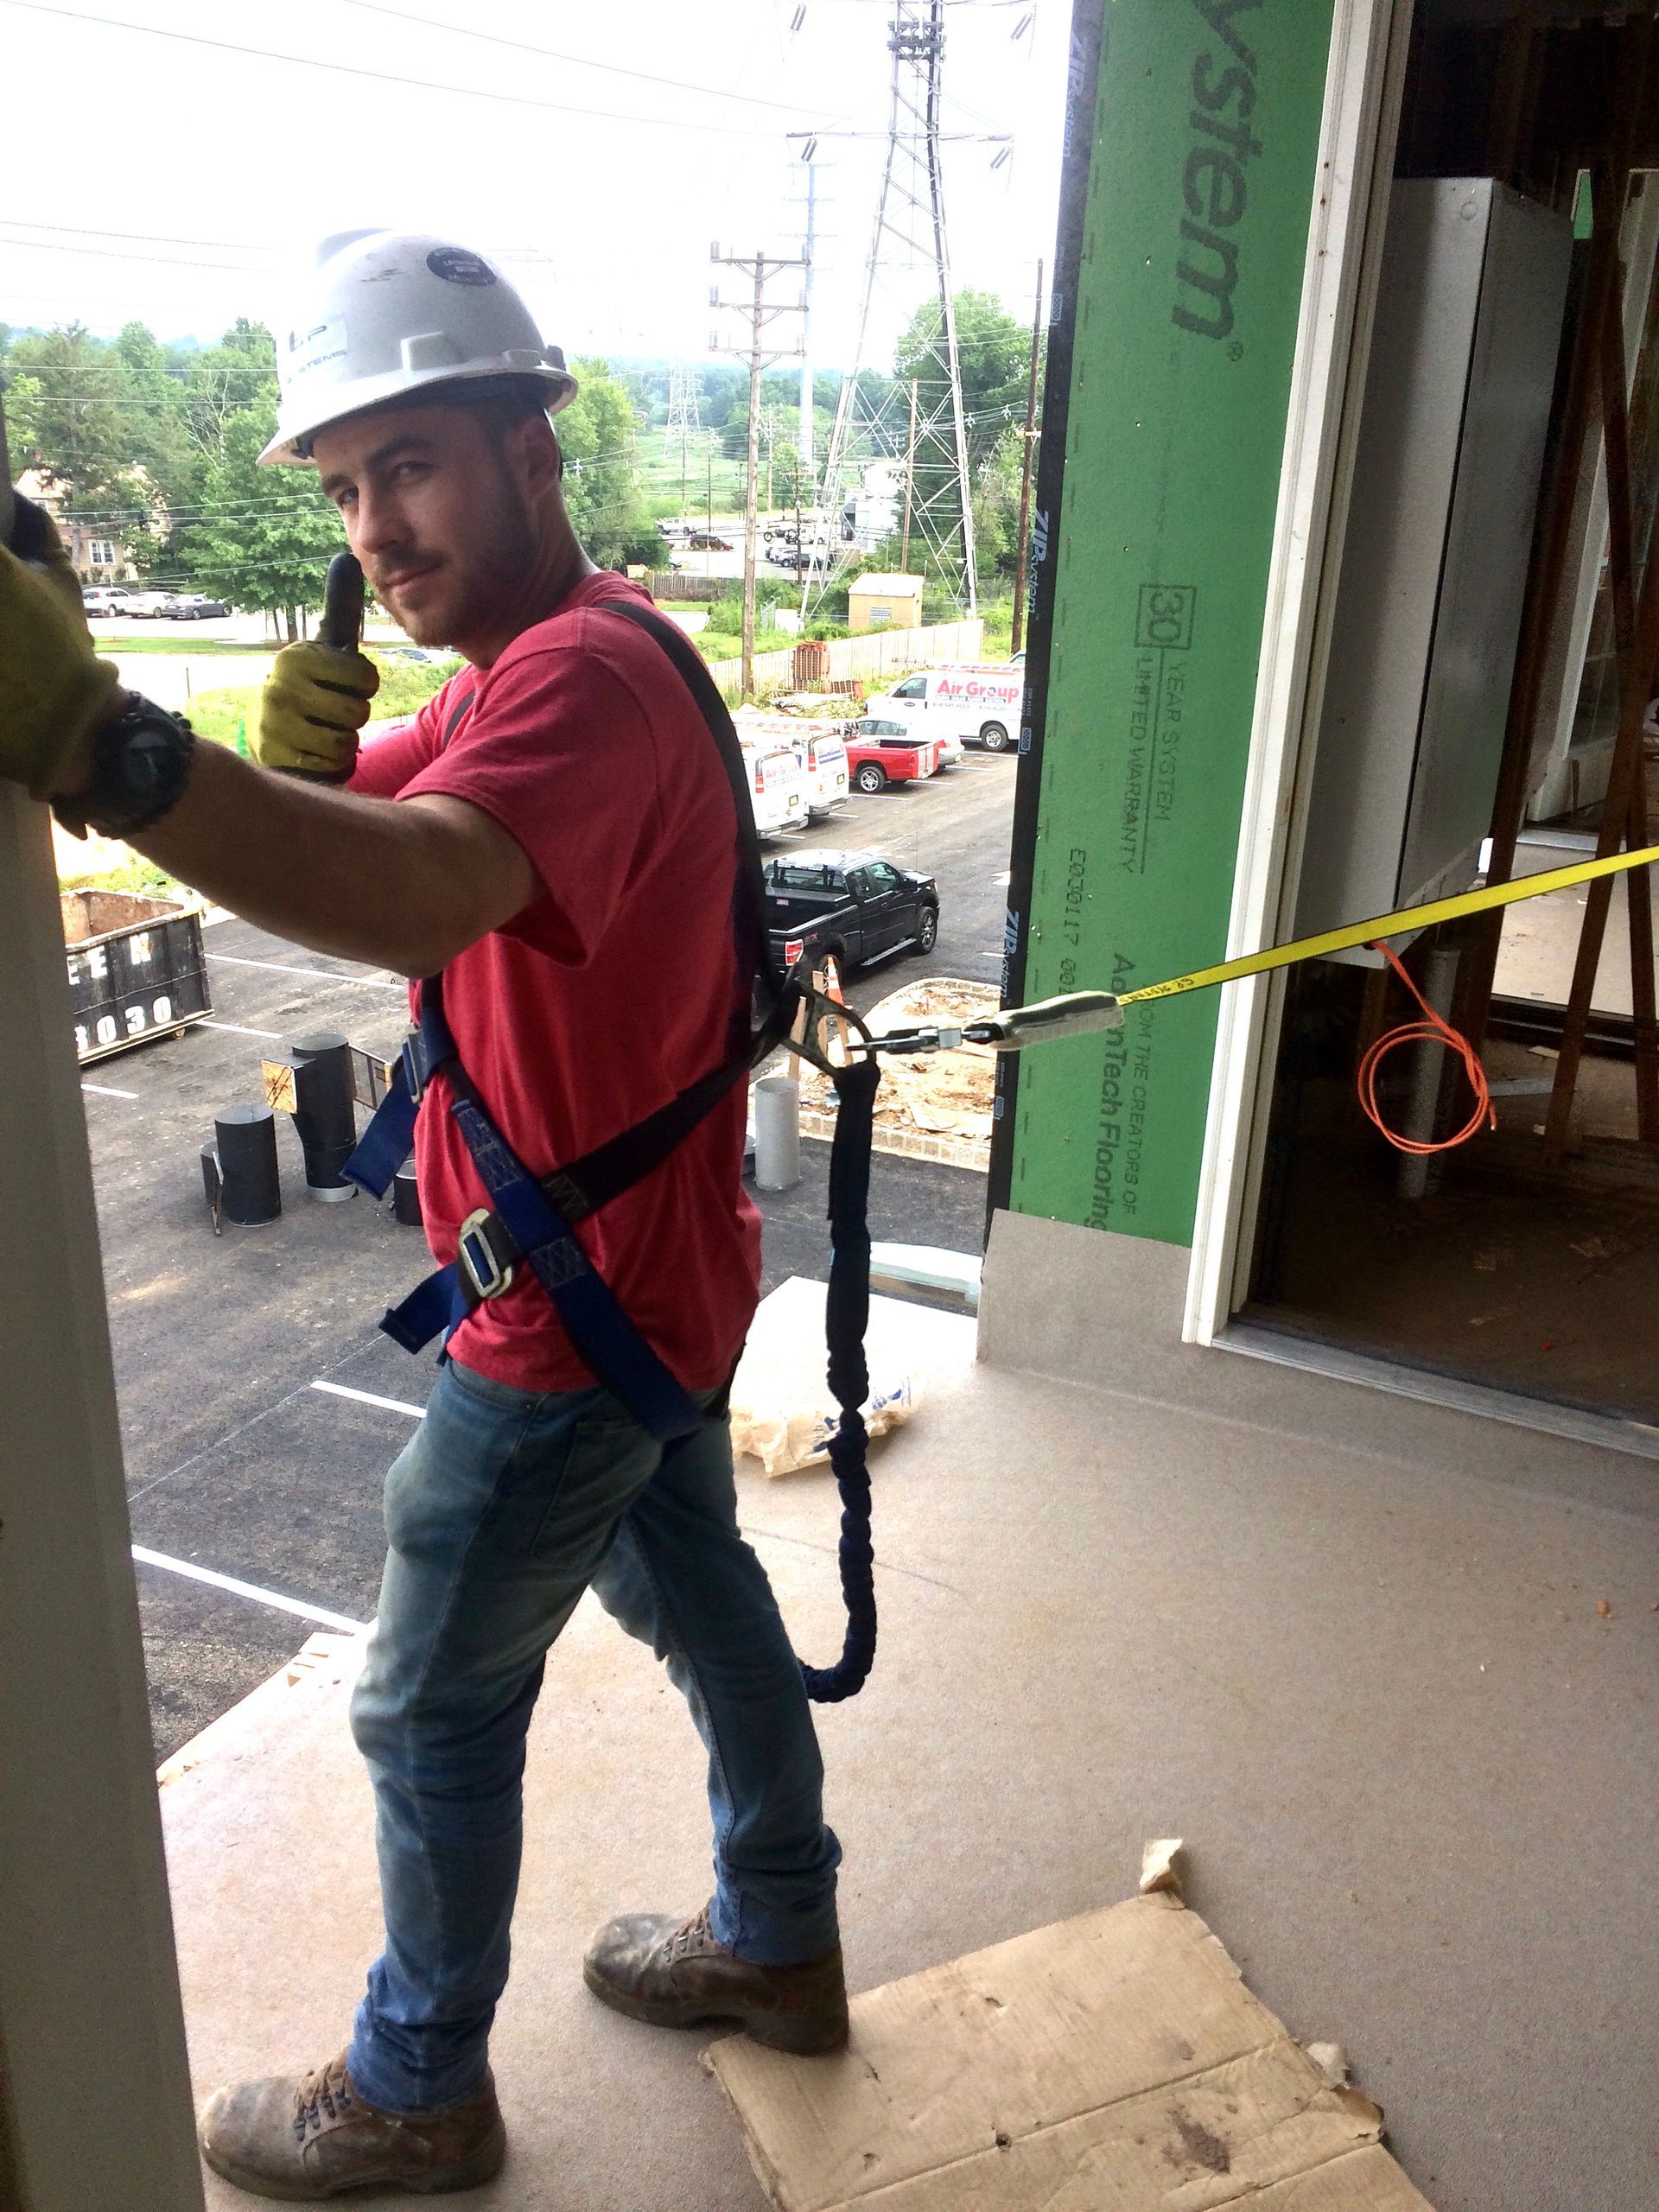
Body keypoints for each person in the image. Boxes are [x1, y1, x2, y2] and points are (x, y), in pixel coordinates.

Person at [0, 232, 845, 2200]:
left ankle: (417, 2081)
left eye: (418, 463)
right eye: (346, 487)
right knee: (695, 1588)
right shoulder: (568, 656)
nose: (378, 527)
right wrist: (248, 757)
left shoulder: (575, 691)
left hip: (567, 1318)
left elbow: (414, 883)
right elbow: (390, 792)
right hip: (666, 1270)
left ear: (533, 442)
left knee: (424, 1692)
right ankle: (781, 1927)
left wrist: (107, 751)